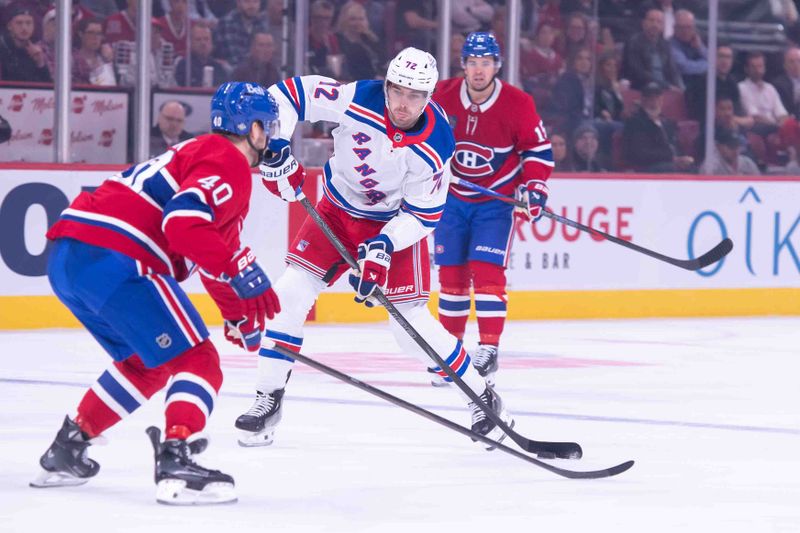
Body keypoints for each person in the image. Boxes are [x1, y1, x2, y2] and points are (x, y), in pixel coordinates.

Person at [236, 46, 514, 448]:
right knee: (289, 295)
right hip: (336, 209)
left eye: (416, 95)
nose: (404, 103)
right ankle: (268, 398)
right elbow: (290, 95)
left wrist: (384, 245)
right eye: (398, 91)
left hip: (394, 224)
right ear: (386, 85)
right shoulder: (356, 98)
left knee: (409, 327)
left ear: (430, 96)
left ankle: (481, 397)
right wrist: (276, 145)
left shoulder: (437, 143)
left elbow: (424, 215)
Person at [30, 82, 282, 505]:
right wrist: (238, 269)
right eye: (266, 126)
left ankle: (68, 447)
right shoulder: (229, 161)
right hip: (119, 255)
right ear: (252, 127)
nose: (269, 136)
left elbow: (209, 249)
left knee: (145, 364)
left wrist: (237, 313)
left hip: (69, 257)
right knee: (199, 360)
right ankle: (176, 458)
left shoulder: (200, 154)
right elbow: (183, 225)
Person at [430, 32, 554, 386]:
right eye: (472, 62)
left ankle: (488, 350)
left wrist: (535, 187)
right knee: (451, 279)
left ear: (497, 65)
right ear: (463, 65)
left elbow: (538, 152)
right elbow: (420, 135)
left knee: (487, 275)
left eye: (486, 63)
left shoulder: (518, 103)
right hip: (450, 200)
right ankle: (449, 353)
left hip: (495, 202)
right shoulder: (442, 95)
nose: (479, 70)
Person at [0, 5, 51, 82]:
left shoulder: (35, 51)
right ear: (9, 26)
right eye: (19, 23)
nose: (24, 28)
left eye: (28, 23)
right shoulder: (2, 49)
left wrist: (40, 63)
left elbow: (48, 88)